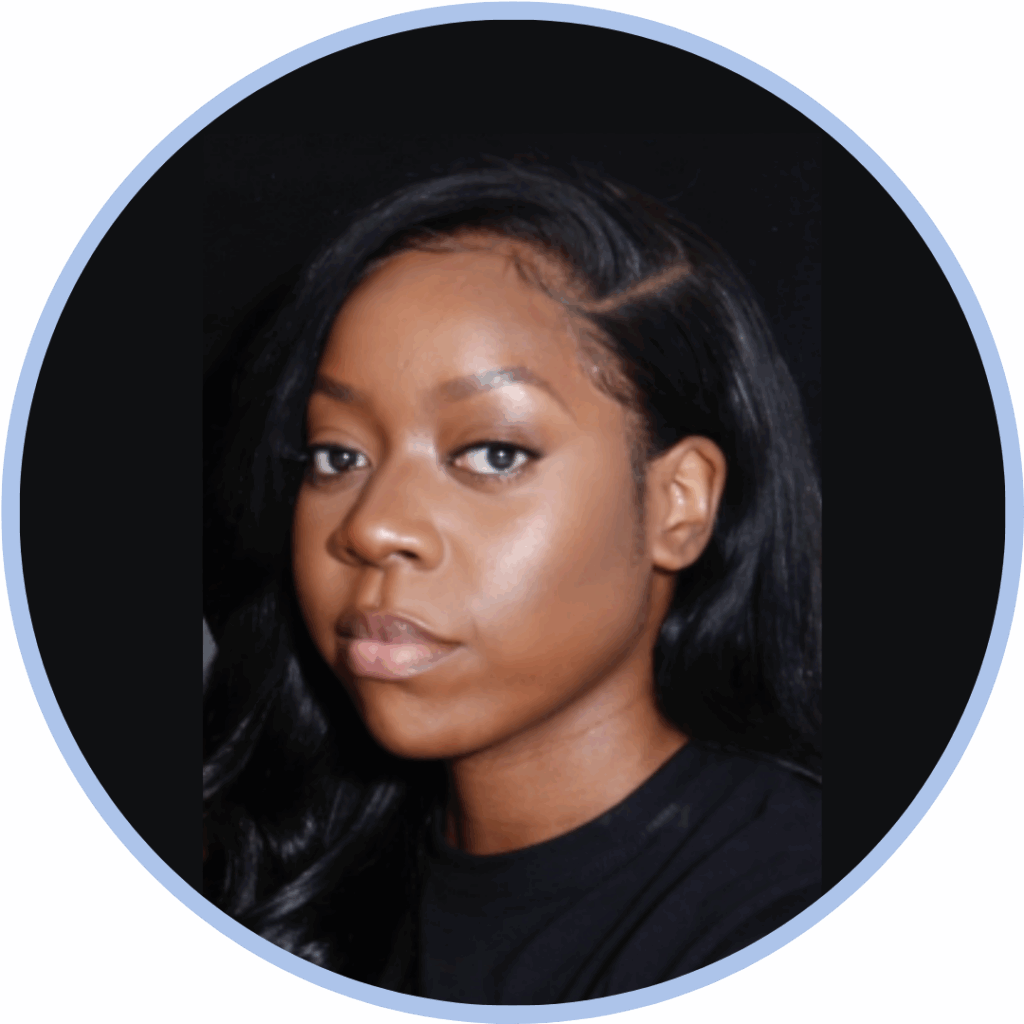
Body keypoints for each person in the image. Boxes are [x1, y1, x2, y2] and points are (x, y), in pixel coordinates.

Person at [202, 158, 822, 1004]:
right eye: (336, 455)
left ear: (678, 505)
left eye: (493, 453)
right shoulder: (281, 865)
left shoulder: (796, 919)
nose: (372, 525)